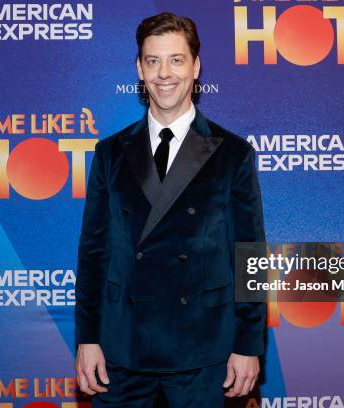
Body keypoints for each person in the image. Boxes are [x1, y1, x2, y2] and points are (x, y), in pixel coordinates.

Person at [74, 12, 266, 407]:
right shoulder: (110, 153)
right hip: (123, 347)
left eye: (176, 60)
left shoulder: (233, 154)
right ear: (139, 70)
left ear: (195, 67)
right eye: (153, 60)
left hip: (203, 348)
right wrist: (88, 338)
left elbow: (250, 257)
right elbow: (94, 252)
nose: (165, 73)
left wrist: (248, 344)